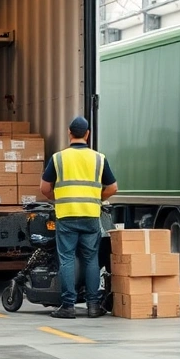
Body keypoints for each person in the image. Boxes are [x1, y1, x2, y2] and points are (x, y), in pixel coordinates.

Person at [40, 116, 118, 319]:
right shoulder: (99, 158)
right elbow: (113, 188)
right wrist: (95, 198)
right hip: (90, 216)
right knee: (91, 259)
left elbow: (44, 188)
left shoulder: (58, 158)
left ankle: (68, 306)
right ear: (87, 134)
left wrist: (59, 198)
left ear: (69, 133)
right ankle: (93, 305)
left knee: (66, 259)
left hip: (66, 216)